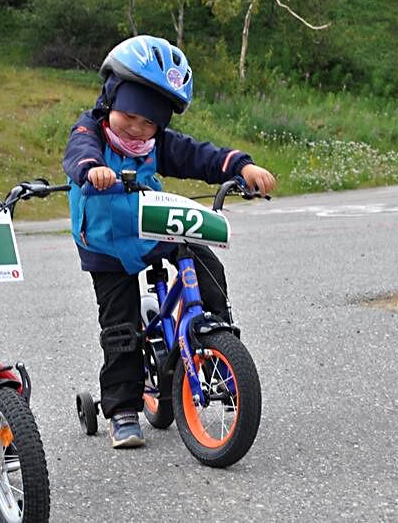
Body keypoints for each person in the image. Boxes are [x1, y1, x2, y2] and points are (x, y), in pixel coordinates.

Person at [63, 35, 276, 448]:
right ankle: (123, 408)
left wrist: (243, 167)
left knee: (204, 261)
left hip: (151, 227)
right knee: (120, 325)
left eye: (150, 122)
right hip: (106, 243)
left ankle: (216, 344)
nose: (137, 128)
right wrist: (92, 170)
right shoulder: (91, 130)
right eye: (129, 115)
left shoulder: (154, 144)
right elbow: (79, 153)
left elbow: (201, 156)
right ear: (110, 98)